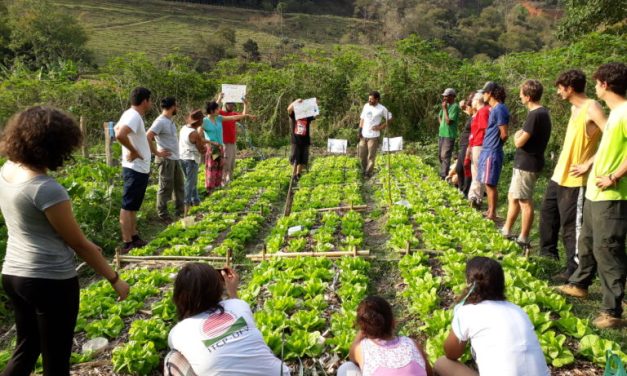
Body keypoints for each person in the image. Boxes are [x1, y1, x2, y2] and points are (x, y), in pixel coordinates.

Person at [0, 106, 130, 376]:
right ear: (55, 145)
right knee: (56, 360)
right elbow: (79, 244)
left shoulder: (7, 170)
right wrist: (115, 278)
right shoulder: (45, 188)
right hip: (50, 280)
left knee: (26, 347)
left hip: (14, 274)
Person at [558, 62, 627, 329]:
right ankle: (580, 284)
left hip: (613, 195)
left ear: (605, 84)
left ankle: (612, 311)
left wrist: (614, 176)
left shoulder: (624, 113)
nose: (595, 86)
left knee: (607, 250)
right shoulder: (614, 113)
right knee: (587, 242)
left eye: (597, 82)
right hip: (596, 193)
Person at [539, 70, 606, 281]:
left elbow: (612, 137)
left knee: (571, 226)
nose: (558, 92)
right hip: (559, 174)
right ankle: (547, 258)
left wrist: (588, 163)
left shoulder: (592, 107)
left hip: (576, 179)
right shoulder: (574, 108)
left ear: (569, 88)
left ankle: (576, 269)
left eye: (560, 88)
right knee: (548, 217)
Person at [434, 256, 549, 376]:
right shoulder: (518, 310)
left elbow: (451, 353)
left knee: (442, 363)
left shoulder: (468, 312)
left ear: (468, 283)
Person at [167, 263, 290, 375]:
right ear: (218, 287)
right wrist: (233, 290)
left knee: (173, 358)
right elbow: (236, 304)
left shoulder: (178, 333)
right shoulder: (238, 305)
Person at [501, 80, 552, 247]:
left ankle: (523, 238)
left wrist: (517, 135)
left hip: (527, 163)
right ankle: (506, 230)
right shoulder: (543, 112)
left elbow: (519, 141)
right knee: (513, 196)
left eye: (521, 94)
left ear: (528, 96)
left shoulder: (535, 115)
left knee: (524, 200)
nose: (520, 96)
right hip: (529, 162)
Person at [337, 296, 432, 376]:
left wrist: (362, 331)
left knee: (345, 368)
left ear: (363, 329)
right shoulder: (412, 344)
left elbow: (352, 356)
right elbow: (429, 373)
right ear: (393, 322)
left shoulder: (362, 349)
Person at [114, 87, 153, 253]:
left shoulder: (129, 114)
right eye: (150, 100)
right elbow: (120, 134)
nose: (150, 103)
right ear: (145, 101)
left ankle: (134, 236)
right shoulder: (134, 116)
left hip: (138, 167)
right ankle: (127, 241)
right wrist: (133, 150)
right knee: (128, 205)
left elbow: (116, 129)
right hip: (135, 167)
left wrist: (131, 149)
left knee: (133, 205)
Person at [200, 101, 253, 194]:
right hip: (212, 148)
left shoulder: (219, 118)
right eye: (216, 109)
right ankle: (210, 190)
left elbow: (233, 117)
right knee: (212, 168)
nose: (218, 110)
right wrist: (209, 142)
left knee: (220, 168)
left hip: (219, 147)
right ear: (212, 111)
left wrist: (246, 115)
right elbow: (198, 136)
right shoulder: (204, 121)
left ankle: (217, 189)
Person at [147, 97, 185, 222]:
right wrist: (157, 152)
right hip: (166, 160)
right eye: (177, 106)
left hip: (174, 158)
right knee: (165, 187)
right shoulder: (160, 121)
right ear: (172, 107)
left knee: (179, 185)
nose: (177, 108)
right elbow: (148, 136)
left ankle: (180, 210)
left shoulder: (170, 121)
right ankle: (162, 214)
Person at [477, 82, 509, 221]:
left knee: (490, 184)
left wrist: (495, 146)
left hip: (492, 150)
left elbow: (504, 134)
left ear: (490, 93)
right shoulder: (494, 109)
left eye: (484, 92)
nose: (483, 95)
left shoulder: (499, 109)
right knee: (487, 182)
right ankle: (490, 210)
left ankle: (492, 213)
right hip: (488, 149)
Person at [216, 93, 249, 186]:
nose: (231, 106)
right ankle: (223, 181)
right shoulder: (221, 114)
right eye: (229, 104)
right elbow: (212, 110)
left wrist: (245, 104)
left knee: (232, 162)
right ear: (225, 104)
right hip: (224, 142)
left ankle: (229, 180)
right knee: (225, 162)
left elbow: (243, 115)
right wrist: (219, 99)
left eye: (232, 105)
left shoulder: (233, 114)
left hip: (232, 142)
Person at [359, 91, 392, 178]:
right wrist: (360, 130)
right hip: (364, 135)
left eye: (371, 99)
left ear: (377, 99)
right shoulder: (366, 106)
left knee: (371, 156)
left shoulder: (382, 109)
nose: (369, 100)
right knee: (362, 155)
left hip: (373, 137)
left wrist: (380, 127)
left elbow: (390, 119)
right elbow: (362, 118)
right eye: (369, 99)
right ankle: (363, 170)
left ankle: (368, 173)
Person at [179, 109, 206, 216]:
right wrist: (205, 149)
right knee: (190, 183)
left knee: (191, 181)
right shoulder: (194, 133)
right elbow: (201, 149)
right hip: (191, 159)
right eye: (202, 120)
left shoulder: (183, 128)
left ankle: (196, 201)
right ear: (198, 122)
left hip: (182, 157)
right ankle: (186, 208)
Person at [467, 91, 489, 207]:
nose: (472, 103)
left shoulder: (483, 111)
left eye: (473, 101)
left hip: (480, 145)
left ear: (477, 101)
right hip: (476, 144)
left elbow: (485, 129)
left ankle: (475, 197)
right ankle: (475, 197)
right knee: (476, 171)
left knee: (478, 172)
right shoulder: (479, 113)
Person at [287, 98, 317, 179]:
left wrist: (314, 104)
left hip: (305, 140)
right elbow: (289, 109)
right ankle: (293, 175)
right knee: (295, 158)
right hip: (296, 140)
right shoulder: (294, 115)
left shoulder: (307, 116)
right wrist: (295, 101)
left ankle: (298, 174)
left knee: (302, 159)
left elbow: (315, 113)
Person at [438, 88, 461, 179]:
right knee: (440, 156)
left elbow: (449, 122)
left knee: (445, 156)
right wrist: (441, 125)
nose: (444, 97)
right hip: (442, 133)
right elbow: (439, 116)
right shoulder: (446, 106)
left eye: (446, 96)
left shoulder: (455, 106)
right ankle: (445, 173)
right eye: (444, 96)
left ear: (452, 96)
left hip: (449, 135)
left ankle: (443, 176)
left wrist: (444, 109)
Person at [455, 95, 474, 197]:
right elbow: (468, 111)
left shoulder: (477, 116)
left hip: (467, 145)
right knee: (459, 168)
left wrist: (469, 147)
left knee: (465, 168)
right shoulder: (472, 116)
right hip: (463, 144)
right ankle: (462, 189)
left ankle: (465, 192)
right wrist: (463, 107)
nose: (468, 106)